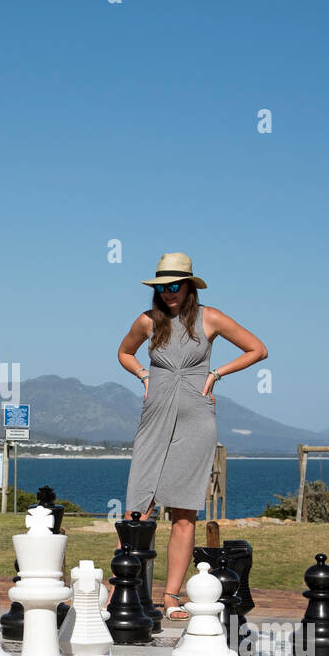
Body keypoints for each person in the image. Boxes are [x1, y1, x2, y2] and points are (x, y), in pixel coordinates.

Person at [119, 253, 267, 620]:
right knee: (137, 509)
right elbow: (124, 352)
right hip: (154, 417)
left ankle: (170, 596)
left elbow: (257, 349)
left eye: (175, 286)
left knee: (184, 512)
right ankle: (123, 590)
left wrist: (216, 374)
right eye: (162, 287)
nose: (169, 293)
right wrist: (143, 374)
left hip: (197, 419)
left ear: (189, 287)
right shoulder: (147, 321)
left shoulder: (210, 318)